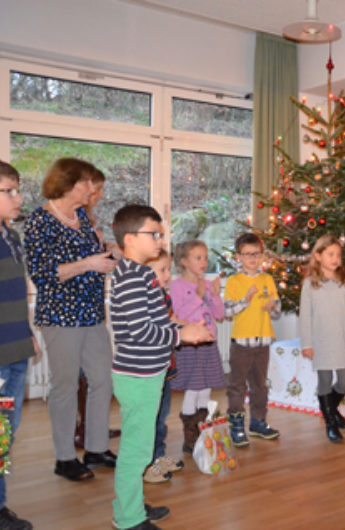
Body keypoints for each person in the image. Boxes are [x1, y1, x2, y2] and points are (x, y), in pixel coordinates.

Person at [109, 204, 211, 530]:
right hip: (137, 375)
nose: (158, 239)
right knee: (136, 452)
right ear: (129, 238)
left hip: (148, 372)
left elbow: (155, 320)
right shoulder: (128, 278)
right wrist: (183, 334)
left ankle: (133, 504)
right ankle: (127, 518)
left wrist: (179, 326)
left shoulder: (141, 274)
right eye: (152, 234)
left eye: (160, 233)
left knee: (141, 444)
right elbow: (141, 331)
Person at [23, 157, 117, 481]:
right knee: (64, 386)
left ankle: (96, 447)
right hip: (61, 318)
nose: (92, 189)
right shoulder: (40, 220)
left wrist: (109, 254)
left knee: (102, 380)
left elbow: (95, 255)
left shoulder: (83, 217)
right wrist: (89, 263)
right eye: (87, 183)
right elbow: (42, 274)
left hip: (92, 314)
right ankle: (64, 458)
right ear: (68, 184)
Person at [0, 159, 36, 529]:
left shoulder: (10, 235)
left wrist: (27, 330)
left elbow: (14, 292)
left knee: (1, 437)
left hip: (16, 350)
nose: (17, 198)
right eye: (8, 191)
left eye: (18, 189)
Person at [75, 166, 121, 450]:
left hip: (92, 307)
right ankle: (82, 430)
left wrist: (112, 249)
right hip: (76, 310)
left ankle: (94, 428)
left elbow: (98, 256)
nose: (101, 195)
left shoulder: (89, 221)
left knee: (96, 375)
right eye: (98, 190)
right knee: (82, 376)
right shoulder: (69, 222)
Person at [299, 235, 345, 443]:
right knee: (325, 381)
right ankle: (330, 423)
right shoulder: (310, 283)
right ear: (318, 256)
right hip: (321, 342)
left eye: (338, 255)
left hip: (342, 341)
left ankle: (330, 410)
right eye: (330, 254)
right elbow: (305, 316)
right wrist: (306, 343)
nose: (335, 259)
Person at [223, 233, 282, 446]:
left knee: (259, 385)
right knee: (237, 386)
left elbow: (277, 310)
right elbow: (227, 310)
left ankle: (258, 422)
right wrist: (246, 300)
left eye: (256, 254)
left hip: (263, 341)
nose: (252, 259)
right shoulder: (234, 280)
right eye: (247, 254)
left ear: (261, 255)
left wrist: (273, 306)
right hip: (241, 342)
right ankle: (236, 425)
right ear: (238, 256)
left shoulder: (267, 279)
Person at [169, 240, 226, 454]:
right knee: (193, 388)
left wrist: (216, 295)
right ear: (184, 262)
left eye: (205, 257)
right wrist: (199, 295)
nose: (203, 262)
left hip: (208, 343)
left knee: (206, 388)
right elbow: (179, 316)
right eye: (198, 257)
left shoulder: (207, 283)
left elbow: (219, 315)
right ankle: (189, 434)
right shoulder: (177, 286)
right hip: (190, 346)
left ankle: (202, 429)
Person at [143, 250, 184, 484]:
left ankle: (158, 457)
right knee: (150, 419)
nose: (168, 275)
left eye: (169, 269)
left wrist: (183, 325)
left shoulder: (163, 296)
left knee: (161, 417)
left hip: (165, 367)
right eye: (162, 270)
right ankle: (147, 464)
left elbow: (170, 323)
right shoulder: (145, 298)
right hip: (151, 369)